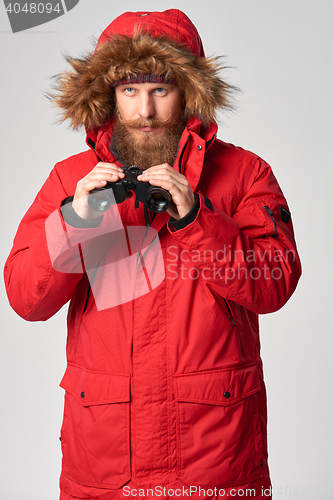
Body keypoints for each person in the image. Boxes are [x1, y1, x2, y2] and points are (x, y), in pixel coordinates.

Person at [4, 9, 301, 500]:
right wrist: (78, 220)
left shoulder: (245, 173)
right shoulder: (71, 179)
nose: (145, 111)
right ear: (108, 97)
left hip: (214, 457)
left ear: (189, 94)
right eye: (129, 91)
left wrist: (196, 219)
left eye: (161, 90)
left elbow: (274, 285)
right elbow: (25, 299)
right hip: (105, 460)